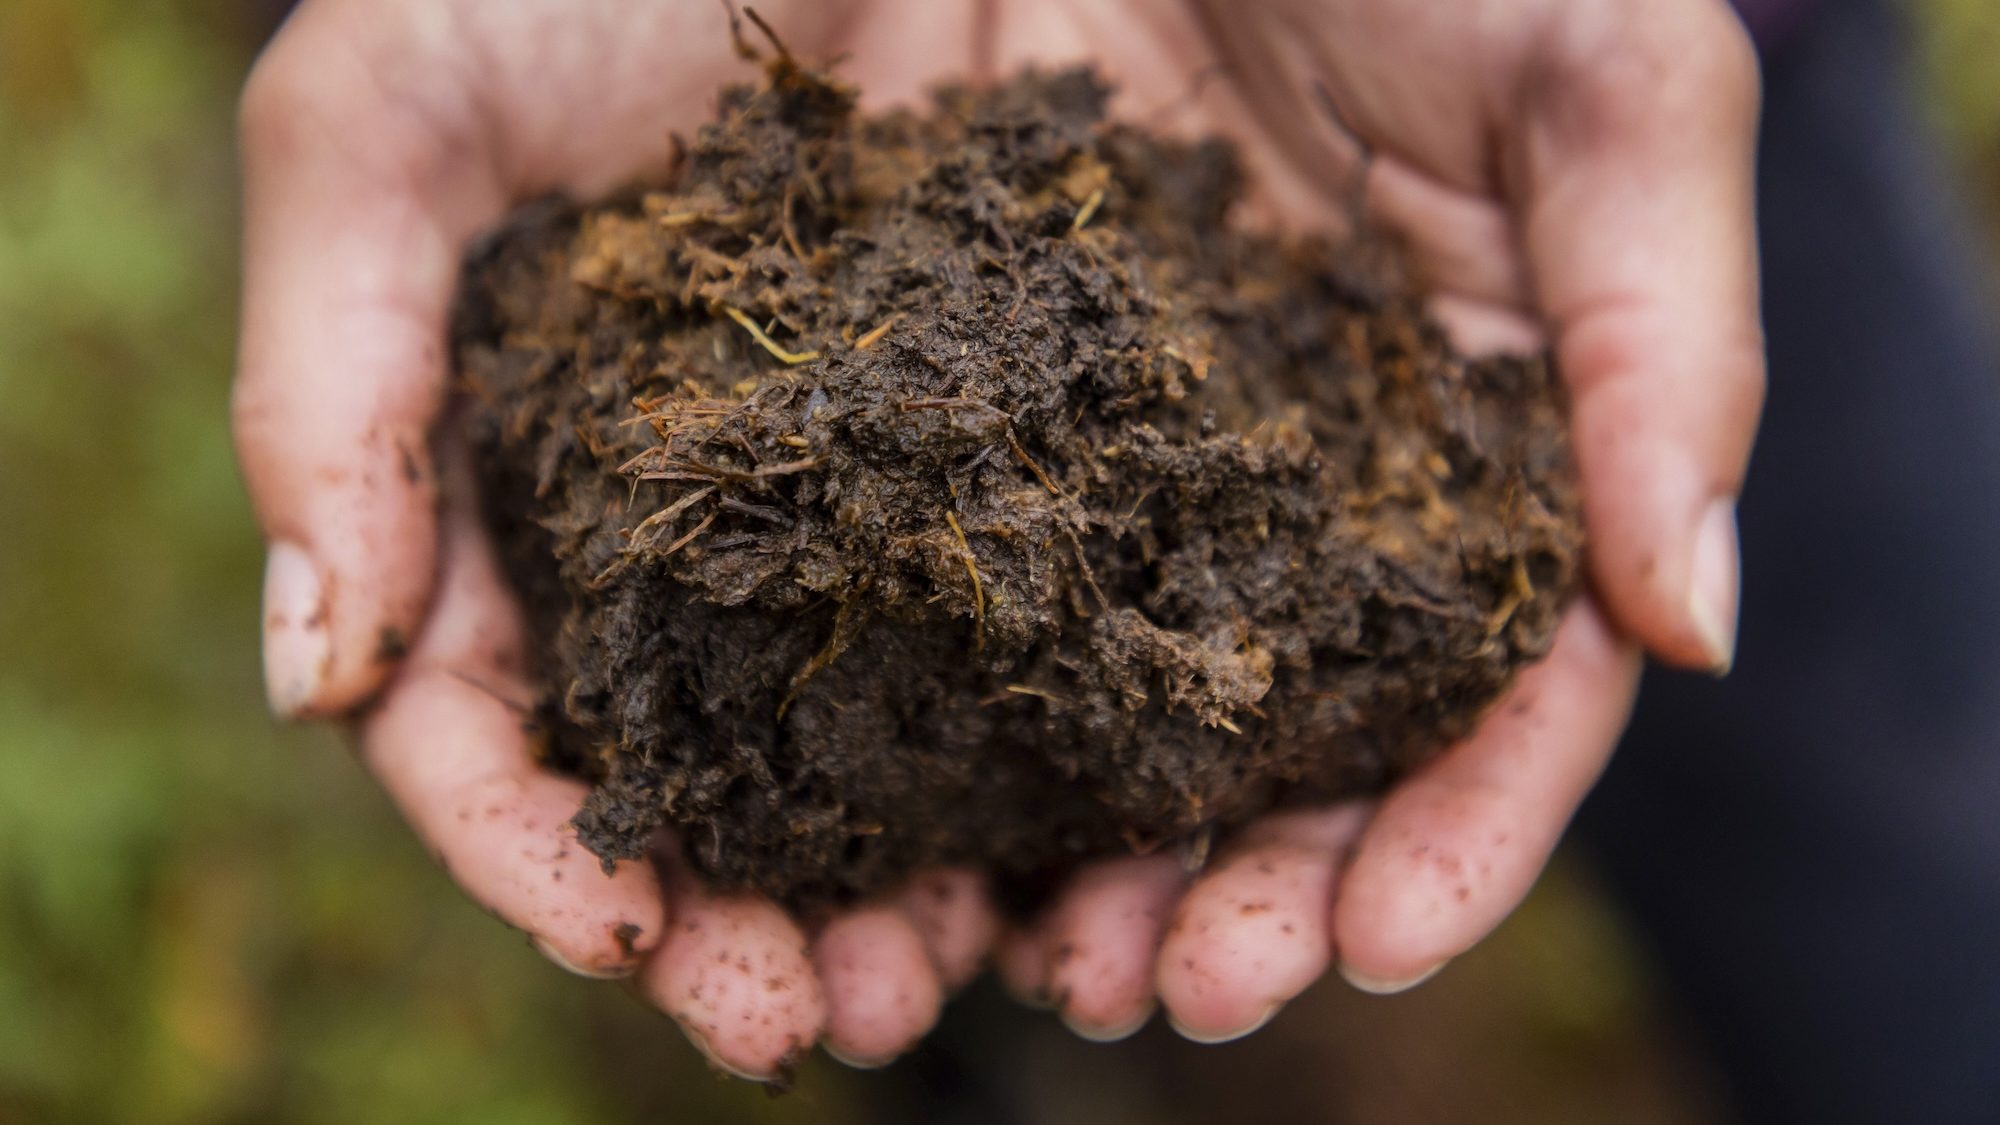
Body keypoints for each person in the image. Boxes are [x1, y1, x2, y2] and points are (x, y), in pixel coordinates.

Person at [233, 0, 1762, 1086]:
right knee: (886, 955)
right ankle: (1002, 1056)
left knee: (1862, 825)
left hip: (1494, 173)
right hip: (854, 746)